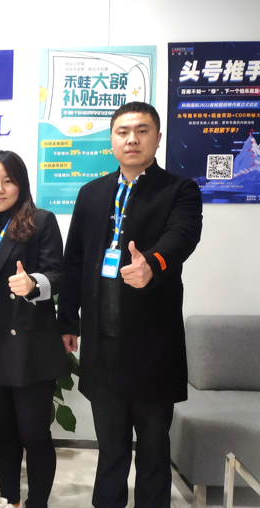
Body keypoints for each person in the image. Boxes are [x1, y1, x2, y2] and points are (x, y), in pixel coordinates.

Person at [57, 102, 203, 508]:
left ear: (158, 138)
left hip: (152, 345)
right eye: (123, 132)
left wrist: (152, 264)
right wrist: (68, 320)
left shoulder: (179, 190)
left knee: (154, 450)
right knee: (110, 447)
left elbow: (183, 235)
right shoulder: (91, 193)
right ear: (111, 140)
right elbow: (74, 261)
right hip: (102, 346)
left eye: (142, 130)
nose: (132, 139)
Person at [0, 150, 68, 508]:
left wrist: (33, 284)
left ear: (21, 185)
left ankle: (38, 503)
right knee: (3, 430)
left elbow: (57, 274)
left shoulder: (40, 221)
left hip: (26, 347)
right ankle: (9, 499)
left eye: (8, 181)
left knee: (33, 433)